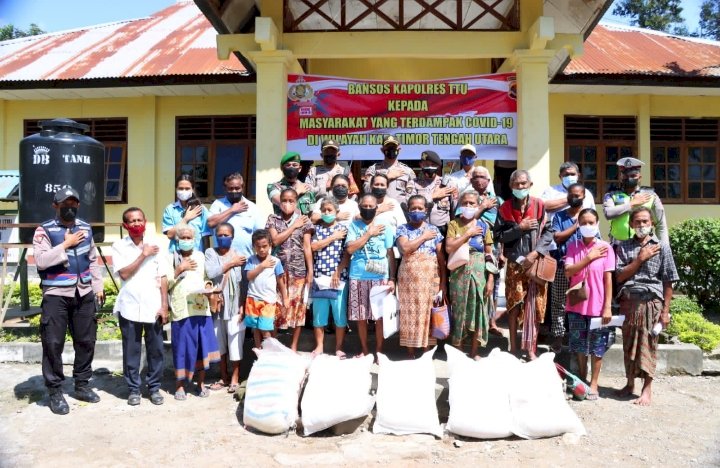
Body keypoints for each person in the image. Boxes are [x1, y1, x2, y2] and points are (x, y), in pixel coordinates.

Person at [33, 187, 105, 415]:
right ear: (56, 206)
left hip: (83, 293)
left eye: (74, 203)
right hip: (56, 294)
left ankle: (82, 385)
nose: (70, 207)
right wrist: (65, 244)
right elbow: (42, 261)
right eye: (65, 203)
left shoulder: (85, 228)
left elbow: (92, 259)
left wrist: (98, 285)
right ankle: (55, 390)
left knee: (86, 340)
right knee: (53, 343)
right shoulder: (44, 230)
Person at [615, 206, 678, 406]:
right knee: (629, 344)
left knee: (649, 344)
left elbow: (669, 281)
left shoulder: (662, 247)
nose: (642, 225)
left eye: (645, 221)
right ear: (631, 224)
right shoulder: (623, 247)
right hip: (629, 302)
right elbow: (619, 276)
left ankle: (647, 388)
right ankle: (630, 383)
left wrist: (665, 312)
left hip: (652, 302)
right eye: (638, 222)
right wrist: (639, 259)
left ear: (652, 224)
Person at [494, 170, 554, 360]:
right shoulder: (504, 208)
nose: (520, 187)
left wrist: (536, 253)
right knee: (514, 305)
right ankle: (513, 347)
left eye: (523, 184)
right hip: (515, 264)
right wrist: (519, 228)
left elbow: (549, 231)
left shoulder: (539, 206)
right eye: (517, 184)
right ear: (511, 186)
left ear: (530, 185)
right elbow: (498, 236)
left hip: (536, 263)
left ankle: (530, 349)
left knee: (535, 306)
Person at [112, 207, 168, 406]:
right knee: (131, 350)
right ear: (125, 225)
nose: (136, 223)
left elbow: (163, 277)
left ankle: (154, 388)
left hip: (153, 306)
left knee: (156, 350)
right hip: (129, 305)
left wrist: (164, 306)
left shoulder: (158, 244)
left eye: (139, 220)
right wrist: (143, 255)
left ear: (145, 221)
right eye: (132, 221)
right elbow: (124, 274)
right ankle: (133, 389)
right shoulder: (119, 246)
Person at [563, 208, 615, 400]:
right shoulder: (573, 246)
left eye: (591, 222)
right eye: (583, 222)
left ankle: (594, 383)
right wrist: (588, 257)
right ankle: (582, 380)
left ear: (597, 224)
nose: (587, 226)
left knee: (597, 346)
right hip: (576, 304)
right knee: (578, 345)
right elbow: (568, 271)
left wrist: (607, 306)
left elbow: (608, 279)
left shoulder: (605, 247)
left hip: (598, 305)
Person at [167, 223, 220, 400]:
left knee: (201, 346)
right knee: (181, 347)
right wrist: (179, 269)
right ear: (177, 240)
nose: (186, 241)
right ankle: (180, 386)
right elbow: (164, 284)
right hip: (181, 310)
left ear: (195, 240)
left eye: (189, 237)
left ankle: (201, 383)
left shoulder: (200, 256)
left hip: (200, 308)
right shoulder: (171, 257)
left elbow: (206, 278)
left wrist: (208, 286)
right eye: (183, 238)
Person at [346, 194, 397, 357]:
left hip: (380, 277)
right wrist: (369, 234)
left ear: (377, 208)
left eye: (371, 206)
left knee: (379, 318)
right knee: (361, 317)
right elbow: (350, 249)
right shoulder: (354, 226)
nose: (368, 209)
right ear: (359, 207)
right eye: (364, 206)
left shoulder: (385, 227)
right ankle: (365, 350)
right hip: (358, 276)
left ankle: (379, 351)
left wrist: (392, 279)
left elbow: (390, 254)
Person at [396, 195, 447, 357]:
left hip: (430, 279)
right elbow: (405, 249)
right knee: (409, 313)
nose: (416, 211)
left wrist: (443, 283)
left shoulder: (435, 230)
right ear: (408, 210)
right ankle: (410, 351)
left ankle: (426, 352)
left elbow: (441, 258)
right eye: (413, 208)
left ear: (426, 211)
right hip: (408, 280)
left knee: (427, 313)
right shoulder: (402, 229)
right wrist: (424, 236)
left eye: (420, 208)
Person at [548, 183, 597, 352]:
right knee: (559, 303)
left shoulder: (589, 216)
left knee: (581, 300)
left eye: (578, 195)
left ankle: (579, 338)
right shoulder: (559, 217)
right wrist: (576, 226)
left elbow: (596, 239)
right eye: (572, 194)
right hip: (563, 266)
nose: (575, 198)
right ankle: (558, 338)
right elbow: (558, 237)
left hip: (584, 267)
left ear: (584, 196)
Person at [446, 191, 495, 359]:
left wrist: (490, 279)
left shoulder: (485, 226)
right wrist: (467, 234)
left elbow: (489, 254)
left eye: (472, 203)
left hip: (480, 272)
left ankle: (474, 352)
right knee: (459, 311)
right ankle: (458, 353)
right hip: (459, 273)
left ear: (478, 205)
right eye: (465, 203)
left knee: (478, 310)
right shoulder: (454, 224)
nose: (468, 206)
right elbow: (449, 247)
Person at [266, 188, 314, 352]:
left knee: (297, 309)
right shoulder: (273, 219)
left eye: (291, 201)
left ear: (296, 202)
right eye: (284, 200)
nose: (287, 204)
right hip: (278, 272)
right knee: (277, 308)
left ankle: (293, 347)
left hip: (298, 271)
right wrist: (294, 226)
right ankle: (274, 345)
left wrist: (310, 271)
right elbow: (275, 240)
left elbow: (307, 247)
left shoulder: (305, 220)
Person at [204, 223, 247, 394]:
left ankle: (235, 378)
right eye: (220, 235)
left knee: (236, 343)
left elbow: (244, 284)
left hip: (235, 307)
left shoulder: (240, 257)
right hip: (217, 308)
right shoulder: (210, 253)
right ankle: (223, 376)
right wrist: (231, 263)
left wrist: (243, 305)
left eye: (226, 235)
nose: (223, 238)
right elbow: (211, 272)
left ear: (233, 237)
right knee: (219, 344)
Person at [310, 197, 350, 357]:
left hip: (338, 278)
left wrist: (338, 271)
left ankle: (338, 348)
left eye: (330, 210)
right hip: (320, 277)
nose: (326, 213)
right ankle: (319, 346)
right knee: (319, 315)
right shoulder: (316, 229)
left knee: (340, 315)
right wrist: (333, 237)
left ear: (337, 212)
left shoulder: (344, 229)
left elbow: (347, 254)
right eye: (324, 210)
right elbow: (314, 246)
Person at [468, 166, 504, 336]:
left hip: (494, 247)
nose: (479, 180)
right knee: (474, 284)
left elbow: (503, 227)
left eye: (482, 177)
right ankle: (473, 323)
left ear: (489, 181)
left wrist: (502, 252)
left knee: (493, 285)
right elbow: (464, 221)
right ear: (470, 180)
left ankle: (492, 321)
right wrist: (482, 207)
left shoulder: (498, 200)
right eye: (475, 177)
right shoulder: (466, 199)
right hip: (471, 248)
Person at [603, 157, 668, 245]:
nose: (629, 178)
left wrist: (664, 247)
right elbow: (608, 213)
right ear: (621, 177)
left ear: (639, 177)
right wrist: (632, 204)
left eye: (633, 176)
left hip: (644, 245)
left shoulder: (651, 195)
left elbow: (661, 224)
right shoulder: (612, 194)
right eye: (625, 175)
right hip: (618, 245)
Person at [244, 229, 288, 347]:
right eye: (258, 247)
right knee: (255, 327)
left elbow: (281, 282)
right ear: (254, 246)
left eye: (265, 246)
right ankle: (259, 350)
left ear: (270, 245)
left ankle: (270, 351)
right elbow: (249, 276)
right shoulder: (251, 260)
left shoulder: (276, 261)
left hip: (268, 300)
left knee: (265, 328)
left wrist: (285, 298)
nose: (262, 249)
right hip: (252, 299)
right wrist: (262, 266)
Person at [207, 172, 263, 258]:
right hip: (222, 259)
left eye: (237, 188)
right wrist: (232, 210)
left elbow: (260, 234)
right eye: (231, 188)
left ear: (242, 188)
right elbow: (211, 223)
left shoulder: (252, 207)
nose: (234, 191)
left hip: (245, 259)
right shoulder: (218, 204)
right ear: (225, 188)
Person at [363, 135, 416, 206]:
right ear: (382, 150)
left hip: (400, 211)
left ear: (399, 149)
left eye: (393, 147)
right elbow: (367, 190)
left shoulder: (407, 171)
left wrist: (401, 206)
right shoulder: (373, 169)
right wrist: (386, 177)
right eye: (388, 147)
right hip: (379, 209)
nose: (391, 150)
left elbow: (412, 194)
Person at [162, 174, 210, 252]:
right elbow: (170, 235)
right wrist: (186, 219)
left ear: (193, 189)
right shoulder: (170, 209)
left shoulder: (201, 209)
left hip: (197, 254)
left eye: (187, 188)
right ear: (176, 189)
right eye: (181, 188)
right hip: (176, 255)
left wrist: (207, 257)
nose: (184, 191)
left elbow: (205, 236)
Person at [413, 150, 453, 235]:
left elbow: (454, 209)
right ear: (421, 165)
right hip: (420, 229)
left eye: (433, 165)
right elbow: (411, 204)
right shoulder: (413, 183)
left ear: (438, 166)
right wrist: (433, 196)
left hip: (443, 230)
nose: (430, 167)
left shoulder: (447, 183)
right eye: (426, 165)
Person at [447, 144, 496, 211]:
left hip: (481, 212)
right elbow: (453, 199)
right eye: (464, 155)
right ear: (460, 157)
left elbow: (491, 194)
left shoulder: (483, 173)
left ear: (475, 157)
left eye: (470, 155)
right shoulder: (453, 177)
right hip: (461, 212)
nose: (467, 157)